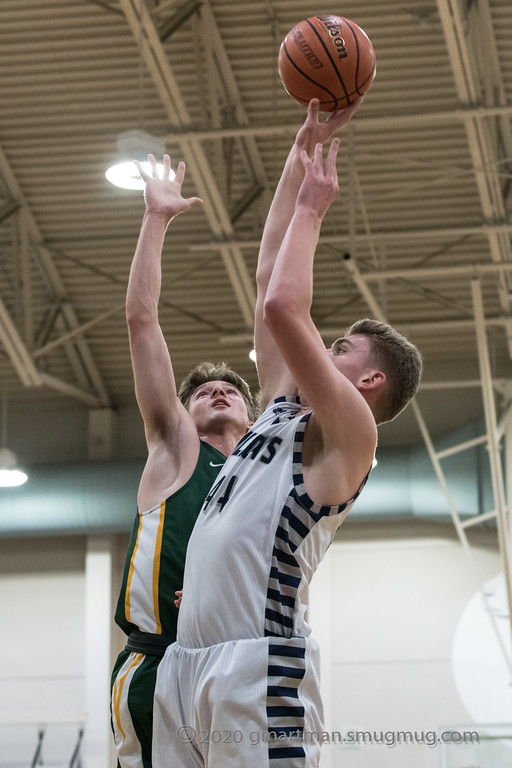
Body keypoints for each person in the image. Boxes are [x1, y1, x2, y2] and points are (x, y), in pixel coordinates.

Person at [152, 101, 423, 768]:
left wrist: (315, 207)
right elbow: (266, 273)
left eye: (342, 348)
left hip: (259, 665)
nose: (324, 350)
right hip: (186, 664)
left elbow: (283, 304)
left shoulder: (350, 437)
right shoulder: (278, 406)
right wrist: (301, 151)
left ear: (370, 383)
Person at [110, 154, 255, 768]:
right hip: (160, 664)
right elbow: (142, 322)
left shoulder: (265, 478)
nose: (217, 392)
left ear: (255, 418)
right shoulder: (178, 449)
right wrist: (156, 220)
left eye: (231, 390)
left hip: (239, 664)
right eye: (201, 393)